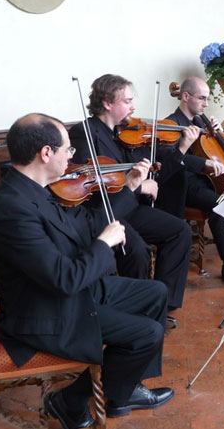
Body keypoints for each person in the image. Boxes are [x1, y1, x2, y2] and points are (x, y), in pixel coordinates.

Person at [0, 113, 174, 429]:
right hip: (44, 311)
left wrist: (129, 189)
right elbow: (65, 279)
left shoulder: (38, 189)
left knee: (156, 292)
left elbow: (85, 225)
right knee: (147, 334)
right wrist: (104, 244)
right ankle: (69, 400)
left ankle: (124, 390)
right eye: (69, 150)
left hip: (66, 292)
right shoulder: (12, 210)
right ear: (46, 153)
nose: (72, 157)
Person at [69, 74, 192, 324]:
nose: (133, 106)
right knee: (136, 251)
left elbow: (132, 170)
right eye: (127, 101)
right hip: (106, 211)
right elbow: (93, 183)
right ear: (107, 103)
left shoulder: (119, 133)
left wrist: (148, 170)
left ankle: (163, 302)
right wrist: (138, 186)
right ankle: (139, 312)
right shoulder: (84, 132)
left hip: (129, 206)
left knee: (179, 231)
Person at [159, 76, 224, 287]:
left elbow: (219, 148)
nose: (206, 104)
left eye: (207, 99)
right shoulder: (170, 124)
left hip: (206, 180)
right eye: (202, 98)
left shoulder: (200, 121)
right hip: (183, 184)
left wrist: (219, 132)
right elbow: (167, 158)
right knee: (223, 206)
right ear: (185, 96)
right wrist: (203, 163)